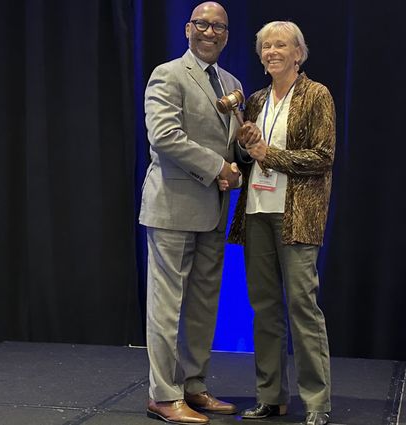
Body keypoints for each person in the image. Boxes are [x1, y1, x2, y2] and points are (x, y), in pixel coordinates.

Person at [139, 2, 250, 424]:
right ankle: (163, 396)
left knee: (205, 305)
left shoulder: (231, 81)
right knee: (166, 307)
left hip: (214, 208)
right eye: (202, 23)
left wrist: (243, 149)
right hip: (172, 205)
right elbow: (165, 136)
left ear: (226, 33)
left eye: (218, 26)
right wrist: (219, 168)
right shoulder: (168, 74)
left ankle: (195, 386)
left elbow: (230, 144)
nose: (210, 31)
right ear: (188, 29)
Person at [228, 21, 336, 425]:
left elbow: (322, 157)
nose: (272, 51)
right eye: (266, 46)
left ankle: (317, 403)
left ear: (298, 54)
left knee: (302, 308)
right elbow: (248, 156)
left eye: (281, 45)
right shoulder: (254, 100)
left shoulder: (316, 94)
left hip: (297, 217)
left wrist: (268, 153)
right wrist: (244, 147)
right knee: (264, 309)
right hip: (256, 211)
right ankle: (271, 397)